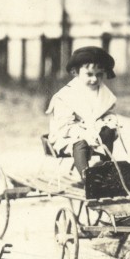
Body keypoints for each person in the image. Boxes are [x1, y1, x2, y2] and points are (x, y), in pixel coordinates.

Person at [46, 46, 119, 180]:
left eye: (99, 74)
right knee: (81, 143)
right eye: (89, 74)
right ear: (75, 72)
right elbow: (63, 124)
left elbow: (108, 112)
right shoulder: (67, 95)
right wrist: (84, 132)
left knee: (108, 132)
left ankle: (106, 167)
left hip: (95, 132)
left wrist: (108, 122)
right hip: (70, 135)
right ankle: (86, 176)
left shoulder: (104, 93)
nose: (94, 79)